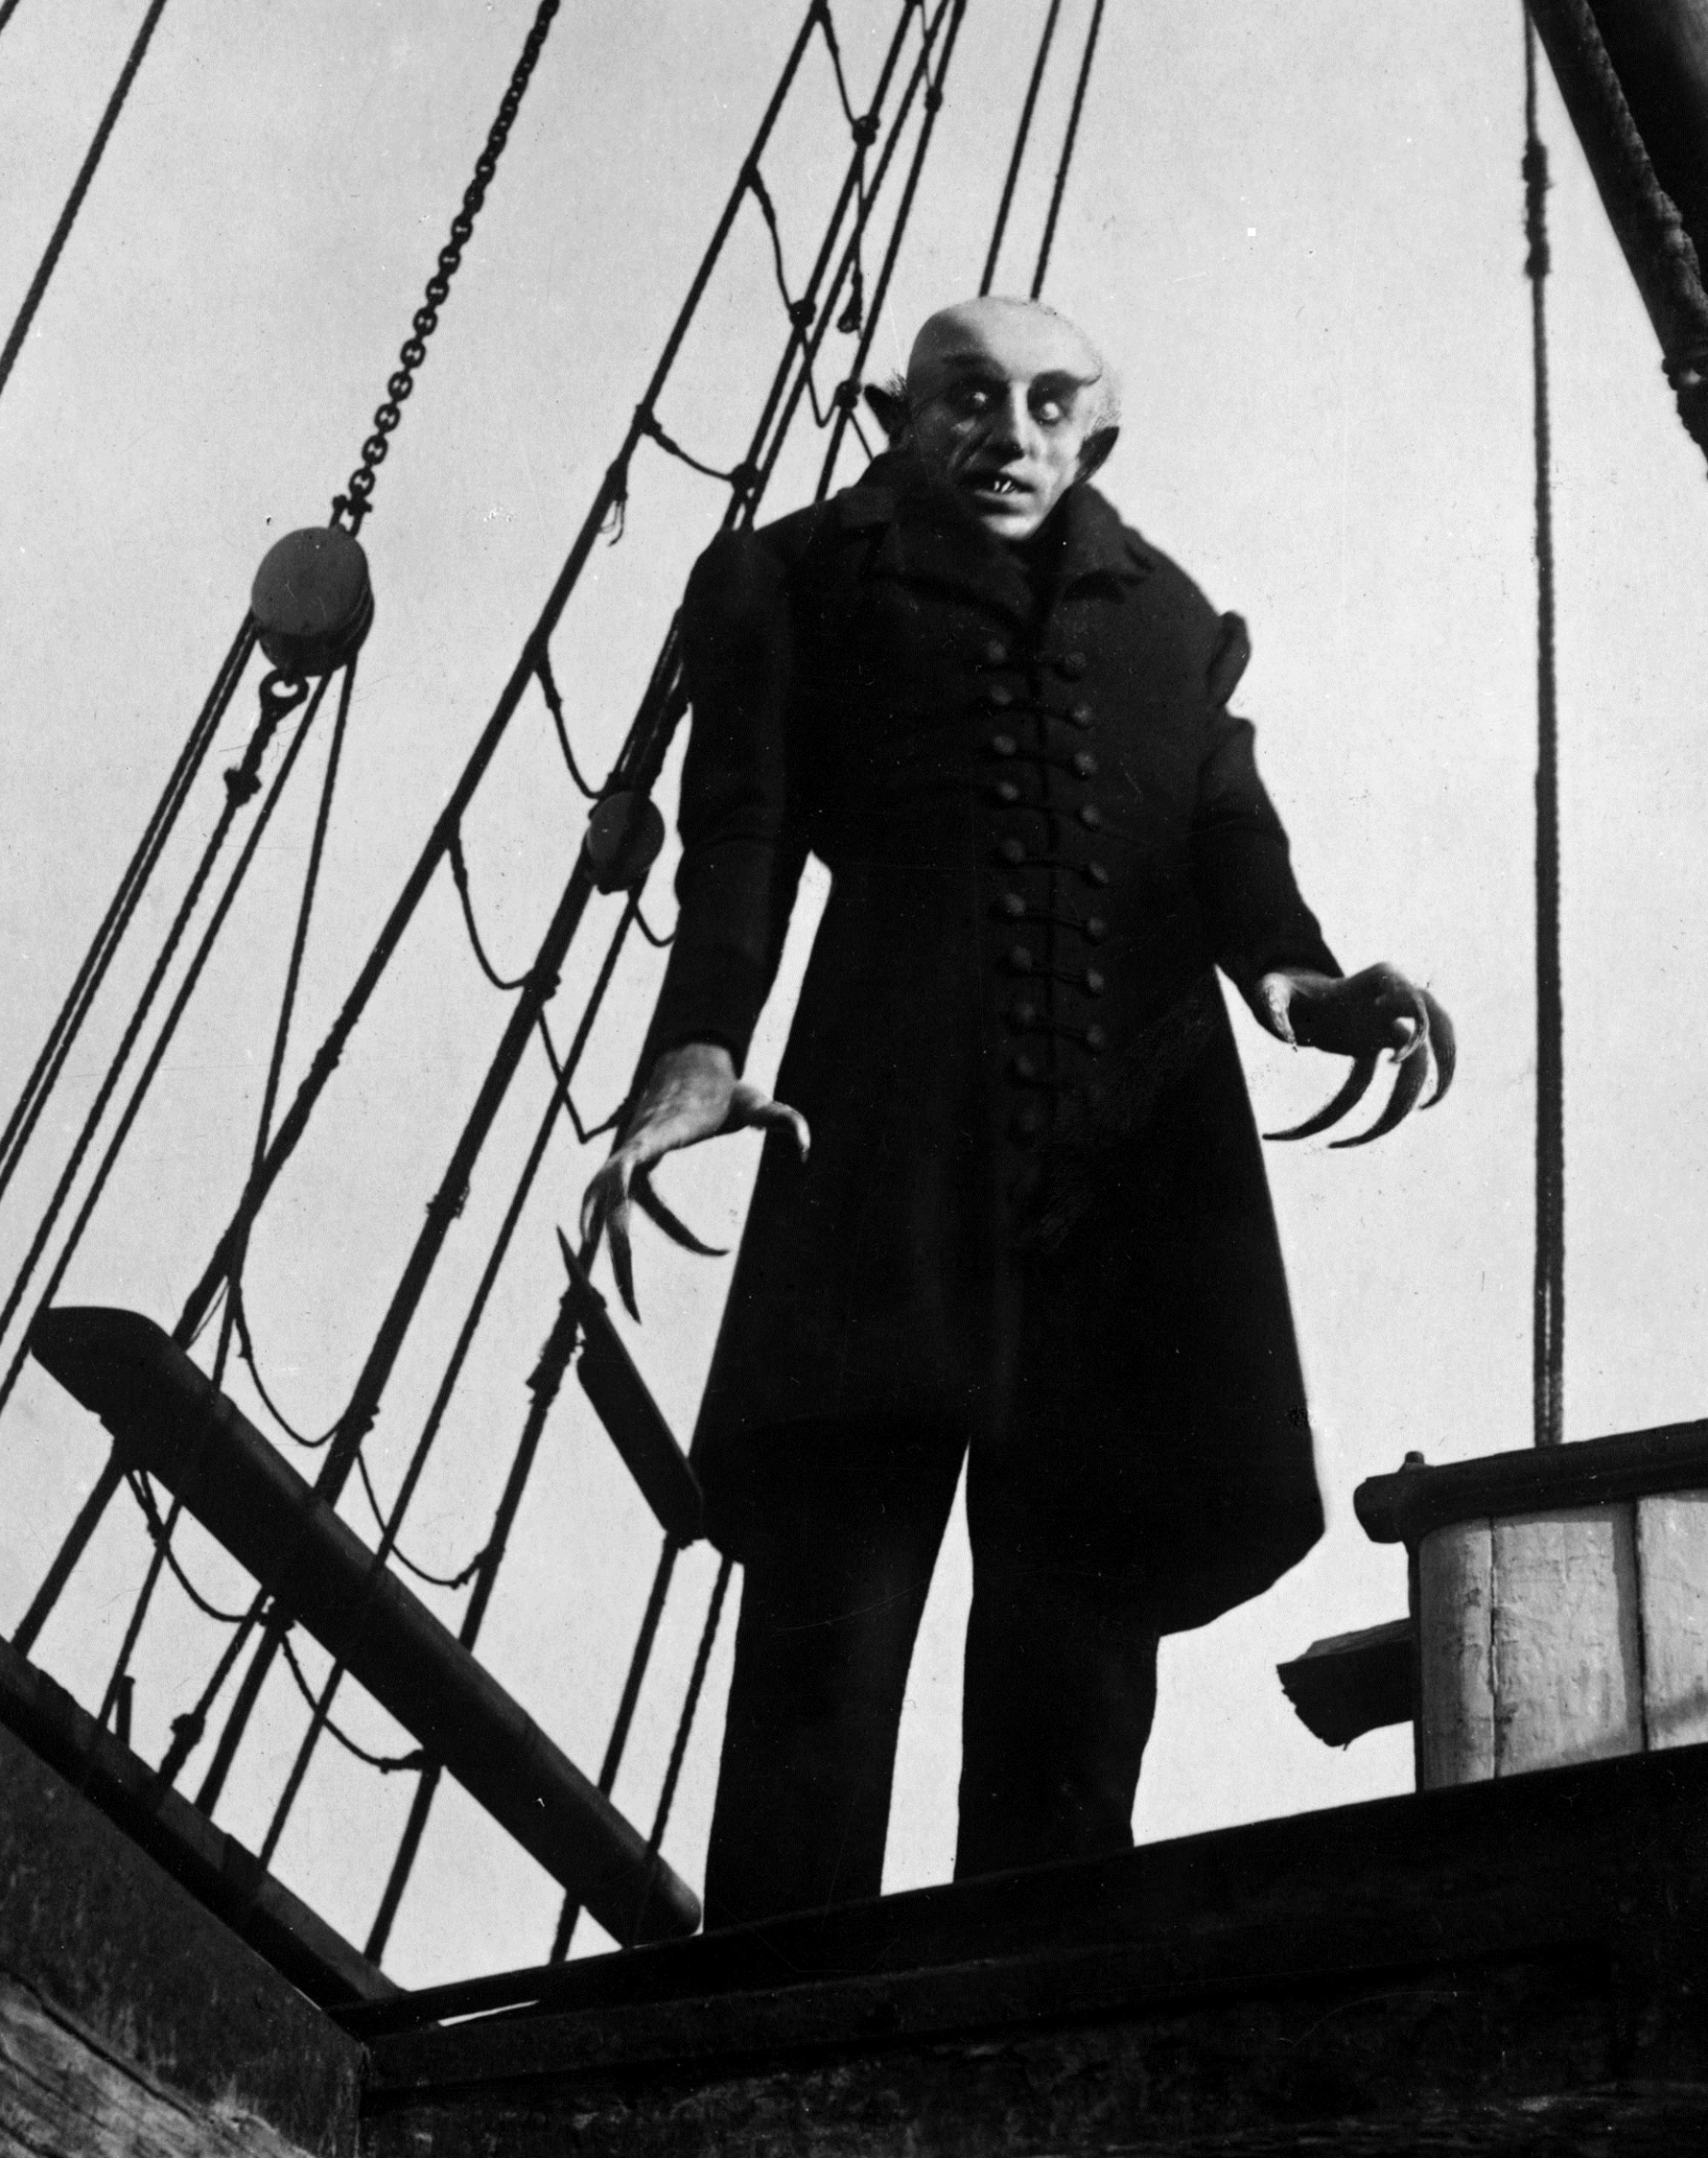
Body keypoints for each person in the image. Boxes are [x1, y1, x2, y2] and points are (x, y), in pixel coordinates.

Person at [581, 296, 1451, 1927]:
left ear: (1096, 440)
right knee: (827, 1636)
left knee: (1079, 1674)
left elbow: (1229, 840)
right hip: (882, 1160)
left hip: (1132, 1185)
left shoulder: (1171, 620)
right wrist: (695, 1052)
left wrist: (1308, 985)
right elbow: (741, 839)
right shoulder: (791, 579)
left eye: (1052, 406)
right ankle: (770, 2004)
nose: (1009, 434)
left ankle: (1026, 2008)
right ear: (893, 415)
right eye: (968, 397)